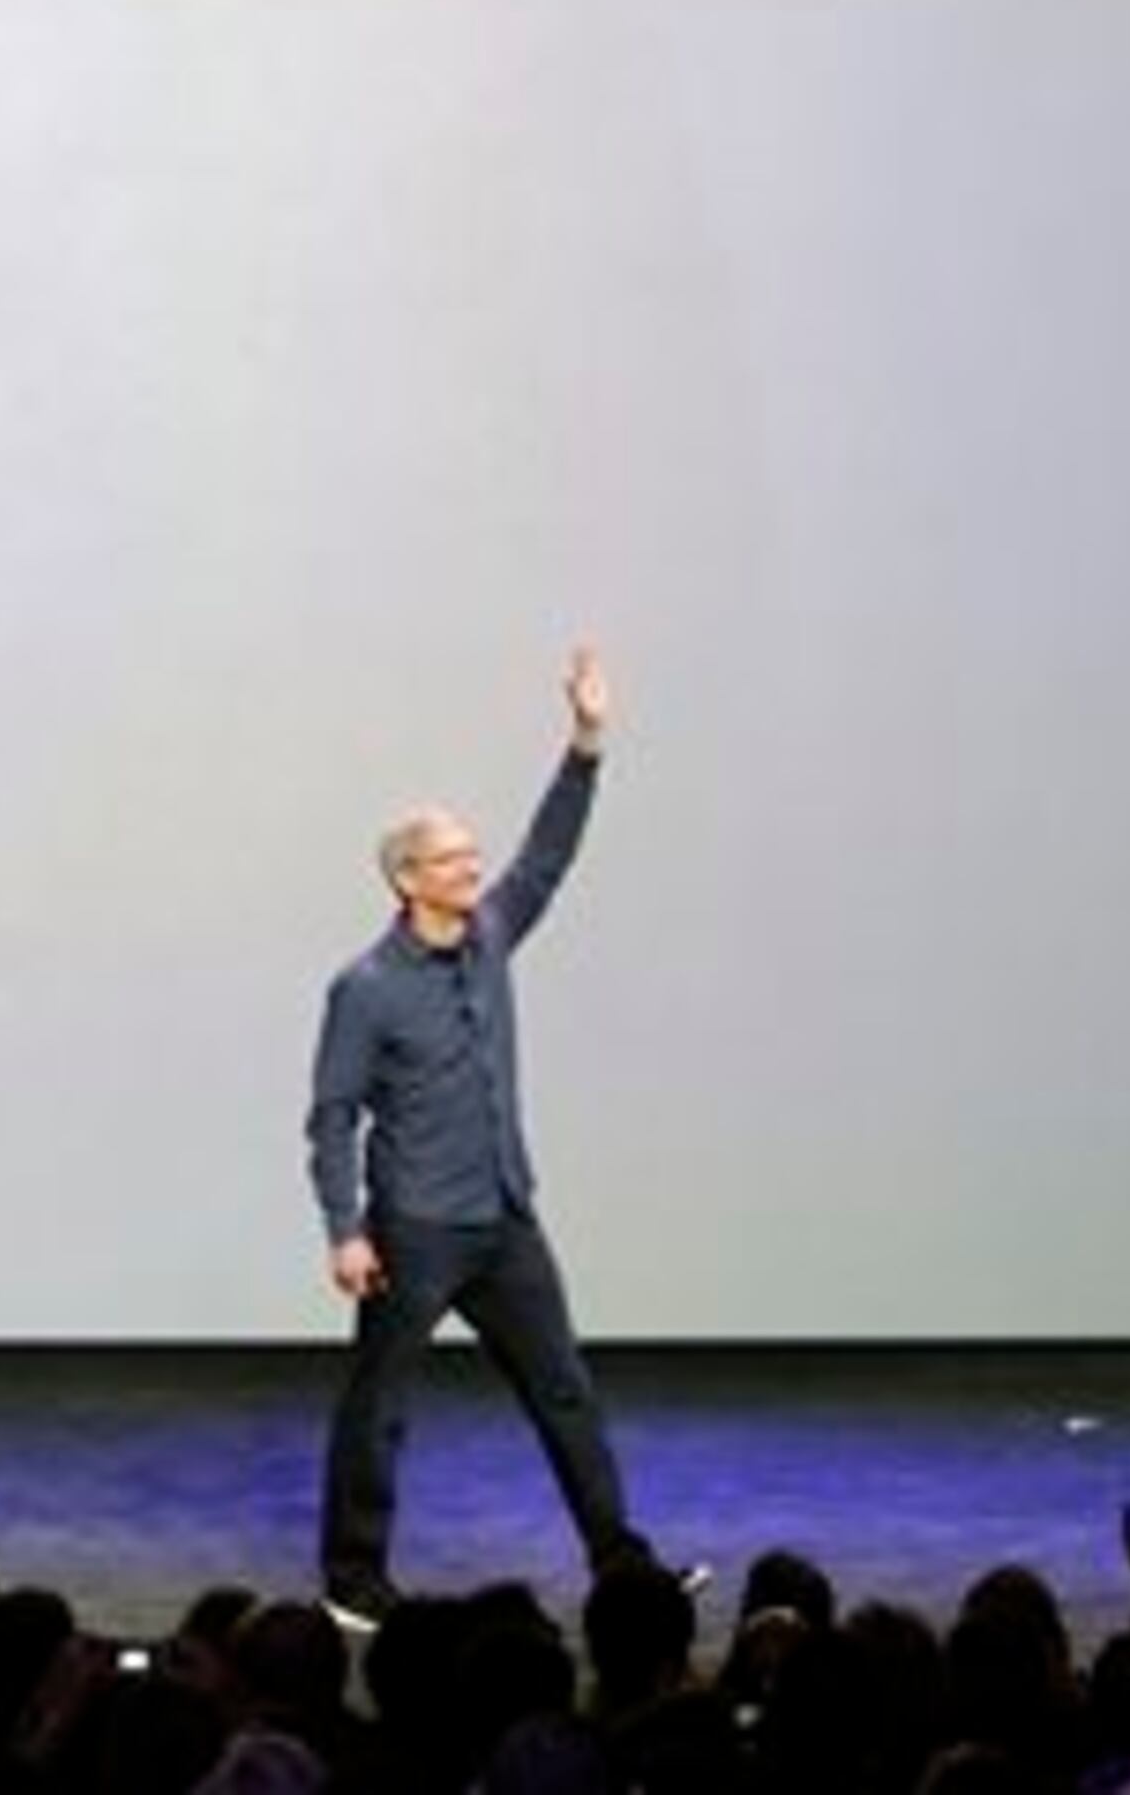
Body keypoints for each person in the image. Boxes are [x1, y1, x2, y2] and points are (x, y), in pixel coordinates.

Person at [308, 645, 672, 1627]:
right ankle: (351, 1579)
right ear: (407, 878)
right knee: (378, 1410)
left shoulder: (492, 937)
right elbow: (332, 1115)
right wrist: (346, 1228)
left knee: (566, 1392)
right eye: (455, 858)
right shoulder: (367, 988)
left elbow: (547, 857)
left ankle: (622, 1566)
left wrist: (587, 743)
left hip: (506, 1219)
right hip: (416, 1228)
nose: (477, 867)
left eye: (475, 855)